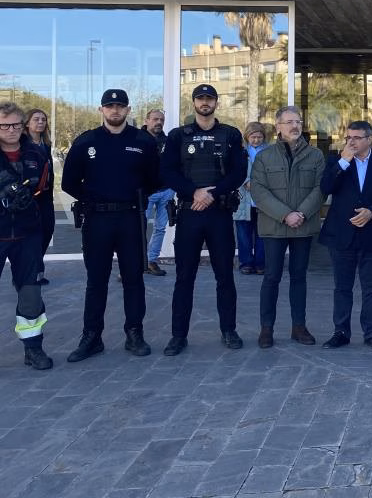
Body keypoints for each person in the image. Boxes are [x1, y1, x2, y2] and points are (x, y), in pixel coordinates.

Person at [61, 89, 160, 362]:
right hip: (97, 219)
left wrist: (132, 195)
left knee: (133, 278)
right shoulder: (86, 142)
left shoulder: (143, 141)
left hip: (130, 218)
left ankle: (134, 333)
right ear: (101, 110)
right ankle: (92, 337)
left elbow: (155, 178)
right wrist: (92, 198)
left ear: (128, 110)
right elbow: (68, 182)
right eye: (109, 106)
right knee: (96, 280)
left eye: (119, 106)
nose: (114, 110)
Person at [160, 84, 249, 356]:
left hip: (219, 213)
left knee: (225, 276)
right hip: (189, 212)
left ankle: (229, 330)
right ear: (194, 103)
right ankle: (178, 336)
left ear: (216, 103)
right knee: (184, 277)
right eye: (201, 99)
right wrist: (193, 192)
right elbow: (167, 171)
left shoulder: (231, 135)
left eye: (210, 98)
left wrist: (213, 193)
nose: (205, 103)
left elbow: (239, 172)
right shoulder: (178, 136)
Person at [248, 106, 324, 349]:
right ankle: (266, 328)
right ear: (278, 126)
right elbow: (258, 191)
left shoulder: (315, 156)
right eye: (289, 121)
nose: (295, 126)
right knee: (271, 277)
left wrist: (300, 213)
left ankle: (298, 327)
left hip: (303, 226)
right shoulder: (264, 157)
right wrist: (285, 215)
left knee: (299, 277)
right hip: (274, 226)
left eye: (298, 121)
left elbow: (321, 189)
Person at [318, 120, 372, 350]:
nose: (351, 141)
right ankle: (341, 331)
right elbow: (326, 187)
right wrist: (344, 161)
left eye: (357, 137)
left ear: (369, 139)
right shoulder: (336, 161)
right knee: (342, 286)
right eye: (349, 137)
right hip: (342, 234)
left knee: (371, 287)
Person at [0, 101, 53, 369]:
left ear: (23, 124)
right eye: (4, 125)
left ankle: (33, 348)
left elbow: (43, 190)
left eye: (16, 125)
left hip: (27, 233)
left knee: (31, 294)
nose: (11, 130)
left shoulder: (36, 153)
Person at [22, 108, 55, 283]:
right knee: (31, 236)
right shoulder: (22, 145)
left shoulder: (46, 145)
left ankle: (35, 267)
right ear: (27, 123)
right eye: (36, 119)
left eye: (43, 119)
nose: (41, 122)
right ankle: (31, 273)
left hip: (45, 197)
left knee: (47, 230)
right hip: (27, 198)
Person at [235, 122, 268, 275]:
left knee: (262, 233)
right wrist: (245, 181)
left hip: (263, 198)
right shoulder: (240, 151)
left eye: (259, 137)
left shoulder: (270, 152)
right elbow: (233, 170)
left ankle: (261, 263)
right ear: (247, 137)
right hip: (244, 199)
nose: (256, 140)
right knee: (243, 234)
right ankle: (246, 263)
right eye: (253, 137)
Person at [141, 109, 171, 277]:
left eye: (161, 119)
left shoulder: (168, 142)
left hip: (166, 191)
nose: (158, 122)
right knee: (138, 228)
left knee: (160, 228)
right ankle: (137, 263)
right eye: (155, 119)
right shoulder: (137, 139)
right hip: (145, 193)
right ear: (147, 120)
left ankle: (152, 261)